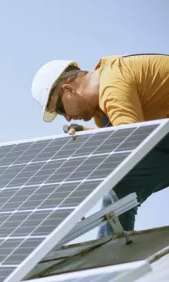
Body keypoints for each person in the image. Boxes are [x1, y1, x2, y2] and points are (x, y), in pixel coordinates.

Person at [31, 54, 169, 237]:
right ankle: (114, 252)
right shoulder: (101, 110)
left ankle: (113, 252)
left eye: (60, 109)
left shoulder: (112, 83)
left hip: (157, 139)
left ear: (69, 89)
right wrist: (90, 138)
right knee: (121, 184)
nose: (68, 118)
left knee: (120, 174)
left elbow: (132, 141)